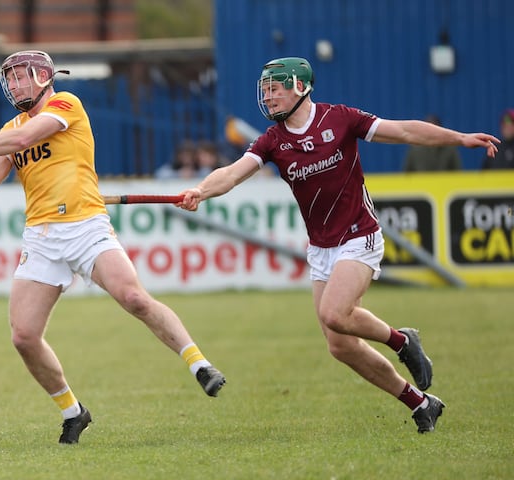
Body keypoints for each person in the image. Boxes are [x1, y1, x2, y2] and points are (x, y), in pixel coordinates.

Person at [177, 57, 500, 434]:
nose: (269, 97)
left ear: (301, 87)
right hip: (322, 249)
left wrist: (459, 138)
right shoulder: (272, 140)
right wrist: (200, 190)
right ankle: (420, 403)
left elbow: (405, 132)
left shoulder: (341, 118)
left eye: (275, 89)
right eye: (265, 90)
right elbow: (232, 173)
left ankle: (402, 340)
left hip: (359, 236)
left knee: (334, 313)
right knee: (339, 346)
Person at [0, 50, 226, 444]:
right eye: (9, 79)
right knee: (24, 336)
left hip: (84, 225)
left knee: (133, 297)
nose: (14, 85)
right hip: (41, 237)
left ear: (44, 77)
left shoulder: (66, 105)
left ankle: (198, 364)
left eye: (21, 77)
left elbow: (26, 137)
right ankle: (73, 411)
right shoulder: (11, 127)